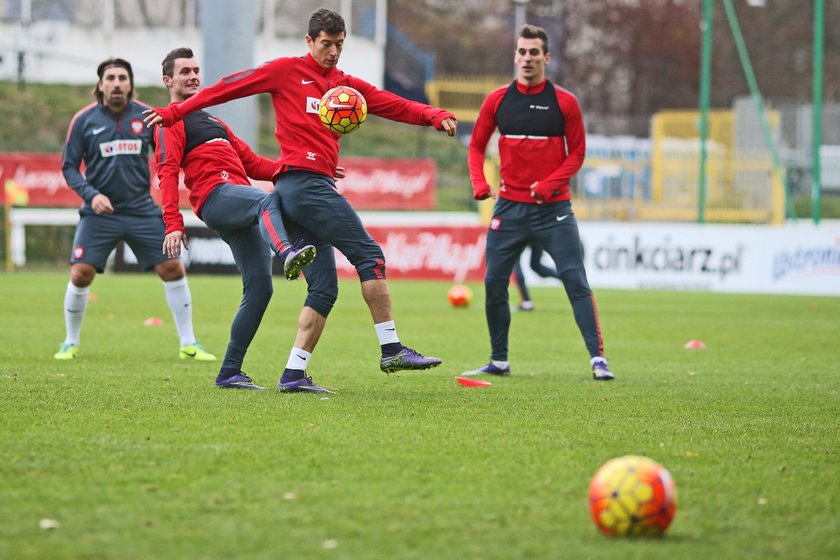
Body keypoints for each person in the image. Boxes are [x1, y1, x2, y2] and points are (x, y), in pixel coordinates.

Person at [144, 8, 458, 392]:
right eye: (326, 44)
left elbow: (389, 102)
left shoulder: (344, 87)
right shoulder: (285, 71)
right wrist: (176, 111)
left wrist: (432, 114)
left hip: (297, 186)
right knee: (370, 257)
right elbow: (230, 85)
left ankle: (293, 373)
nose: (333, 51)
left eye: (339, 44)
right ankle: (391, 347)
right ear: (309, 41)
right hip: (303, 189)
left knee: (323, 287)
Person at [155, 47, 319, 390]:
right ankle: (287, 252)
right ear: (168, 81)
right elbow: (167, 172)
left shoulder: (214, 121)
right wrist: (173, 222)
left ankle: (229, 372)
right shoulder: (170, 121)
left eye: (196, 70)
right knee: (266, 203)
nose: (193, 76)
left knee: (259, 289)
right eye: (184, 71)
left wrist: (307, 168)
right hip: (216, 197)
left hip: (236, 204)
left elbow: (255, 164)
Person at [464, 24, 614, 381]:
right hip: (509, 210)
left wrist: (550, 184)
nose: (527, 58)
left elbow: (577, 154)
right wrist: (479, 182)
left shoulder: (565, 102)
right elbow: (475, 146)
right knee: (494, 283)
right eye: (522, 52)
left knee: (575, 281)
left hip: (554, 211)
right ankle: (498, 359)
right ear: (515, 56)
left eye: (534, 53)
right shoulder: (497, 101)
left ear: (547, 58)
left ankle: (598, 359)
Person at [56, 57, 215, 362]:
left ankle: (189, 344)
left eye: (122, 78)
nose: (117, 84)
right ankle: (69, 342)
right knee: (81, 274)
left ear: (130, 84)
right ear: (100, 85)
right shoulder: (84, 120)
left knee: (173, 267)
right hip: (99, 212)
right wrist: (91, 195)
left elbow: (169, 155)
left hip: (142, 210)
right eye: (111, 78)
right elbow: (69, 167)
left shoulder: (147, 116)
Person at [512, 240, 561, 311]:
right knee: (536, 266)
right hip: (537, 233)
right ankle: (571, 279)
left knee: (515, 261)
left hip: (521, 231)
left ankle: (526, 302)